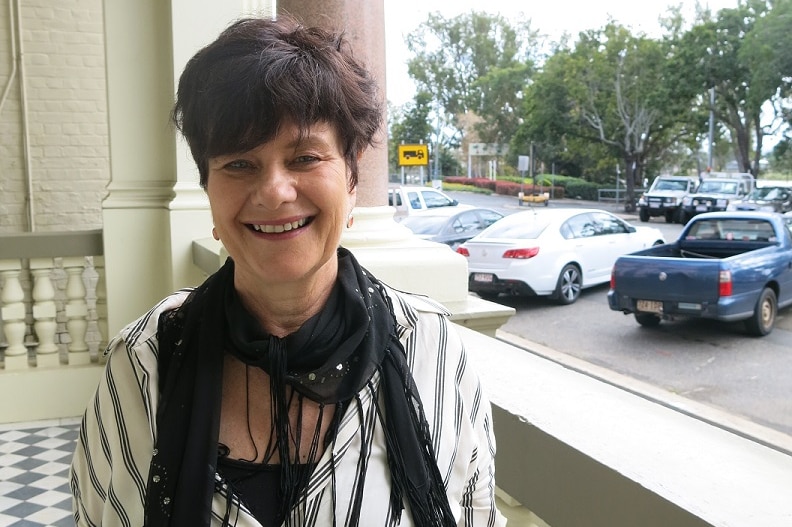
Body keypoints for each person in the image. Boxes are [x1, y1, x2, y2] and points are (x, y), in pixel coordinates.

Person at [70, 15, 504, 527]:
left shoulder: (431, 349)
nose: (274, 191)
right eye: (238, 164)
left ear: (351, 176)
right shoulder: (143, 365)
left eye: (303, 157)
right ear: (209, 188)